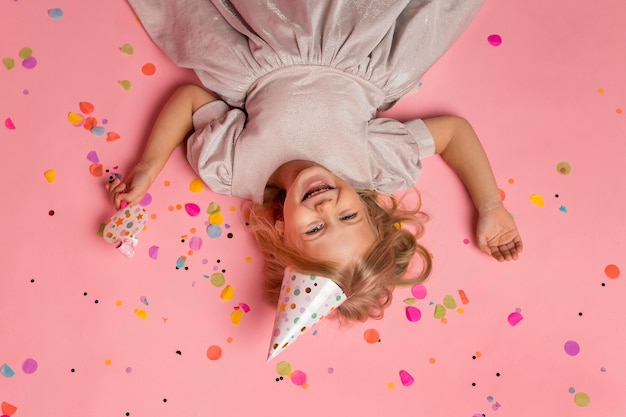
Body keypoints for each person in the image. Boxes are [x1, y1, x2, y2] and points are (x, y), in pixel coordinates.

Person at [107, 0, 522, 322]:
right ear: (370, 210)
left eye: (316, 228)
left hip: (263, 38)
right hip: (357, 37)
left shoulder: (235, 170)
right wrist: (491, 205)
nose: (327, 207)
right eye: (348, 217)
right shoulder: (370, 167)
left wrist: (148, 167)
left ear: (283, 234)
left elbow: (190, 99)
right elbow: (452, 132)